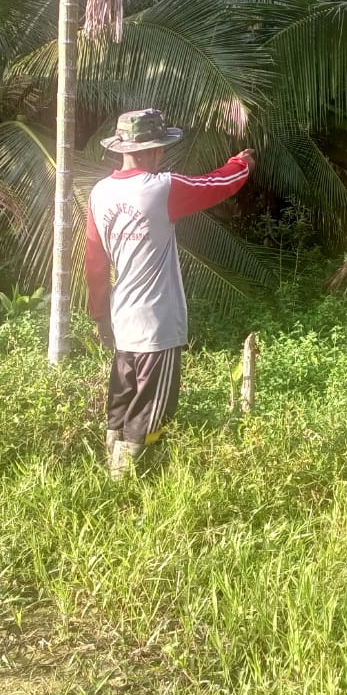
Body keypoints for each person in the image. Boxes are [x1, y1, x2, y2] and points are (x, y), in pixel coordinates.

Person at [85, 108, 254, 478]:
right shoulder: (161, 188)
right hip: (157, 324)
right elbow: (217, 184)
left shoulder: (100, 193)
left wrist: (100, 316)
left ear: (122, 148)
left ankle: (111, 470)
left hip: (122, 318)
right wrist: (241, 164)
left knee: (122, 400)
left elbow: (94, 263)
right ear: (156, 149)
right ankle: (126, 481)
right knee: (153, 409)